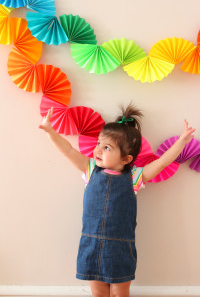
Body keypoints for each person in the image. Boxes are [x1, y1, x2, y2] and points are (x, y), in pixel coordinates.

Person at [39, 104, 196, 297]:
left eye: (106, 148)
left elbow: (162, 162)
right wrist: (50, 132)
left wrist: (181, 142)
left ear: (126, 159)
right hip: (91, 244)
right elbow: (69, 150)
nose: (98, 150)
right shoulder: (90, 170)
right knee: (99, 293)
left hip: (120, 247)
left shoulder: (135, 177)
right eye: (98, 144)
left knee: (119, 293)